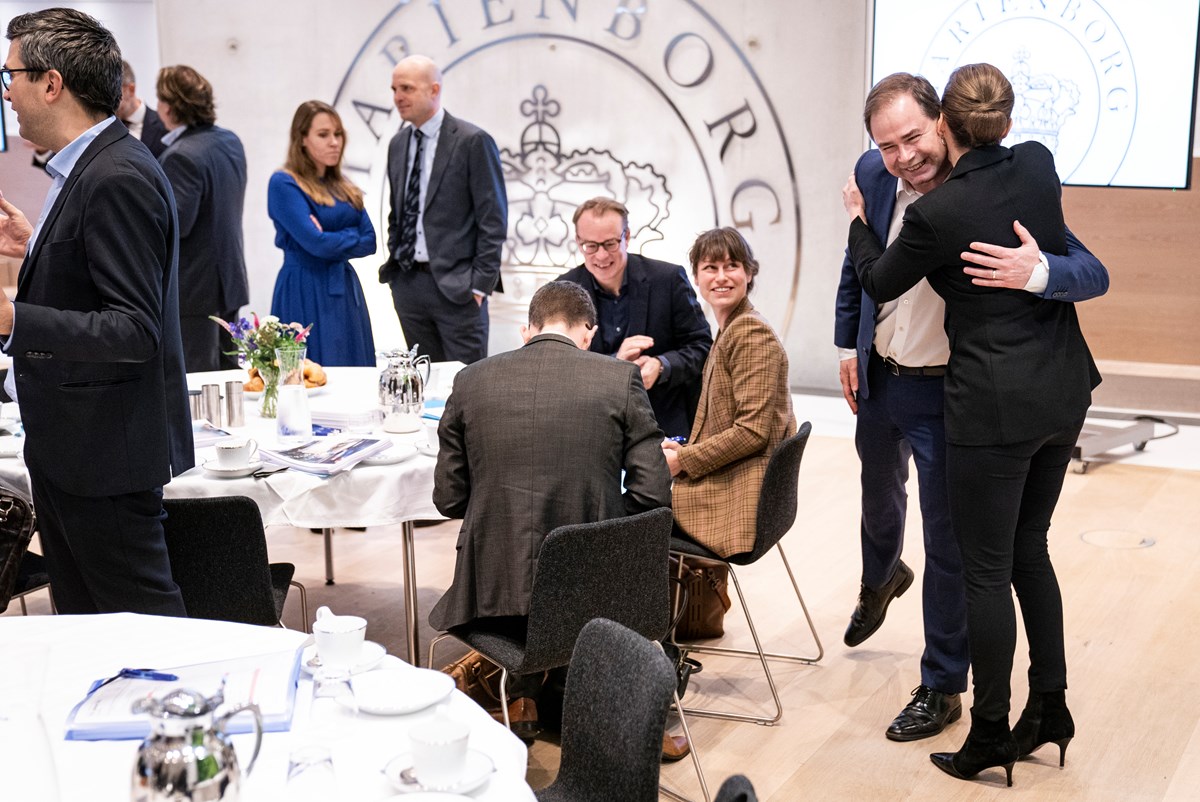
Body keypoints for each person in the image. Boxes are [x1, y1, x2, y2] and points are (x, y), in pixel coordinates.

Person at [834, 72, 1110, 743]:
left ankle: (943, 684)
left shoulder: (986, 191)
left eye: (913, 137)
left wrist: (1036, 271)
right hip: (880, 375)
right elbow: (858, 266)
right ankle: (880, 577)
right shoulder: (871, 173)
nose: (904, 156)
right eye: (888, 144)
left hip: (949, 392)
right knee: (876, 495)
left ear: (944, 124)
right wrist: (847, 342)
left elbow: (1090, 270)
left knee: (954, 547)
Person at [0, 8, 192, 615]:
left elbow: (134, 329)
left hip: (103, 454)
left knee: (145, 633)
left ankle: (187, 714)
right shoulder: (90, 164)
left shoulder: (114, 175)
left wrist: (11, 318)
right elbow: (99, 277)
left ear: (51, 82)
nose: (6, 91)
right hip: (74, 446)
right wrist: (37, 247)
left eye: (11, 75)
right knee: (92, 630)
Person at [429, 281, 672, 742]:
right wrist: (599, 523)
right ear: (588, 333)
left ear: (528, 330)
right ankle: (568, 697)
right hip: (588, 595)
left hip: (492, 592)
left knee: (528, 603)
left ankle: (522, 697)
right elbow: (653, 492)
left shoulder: (471, 379)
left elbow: (449, 498)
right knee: (588, 594)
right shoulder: (618, 378)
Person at [663, 228, 796, 558]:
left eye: (731, 266)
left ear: (749, 273)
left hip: (738, 499)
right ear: (696, 277)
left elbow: (751, 433)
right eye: (710, 267)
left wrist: (681, 461)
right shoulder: (732, 327)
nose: (721, 277)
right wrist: (682, 449)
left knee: (626, 513)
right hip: (735, 482)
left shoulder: (751, 333)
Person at [379, 54, 506, 365]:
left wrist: (479, 286)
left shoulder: (472, 141)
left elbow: (494, 220)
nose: (398, 97)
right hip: (409, 285)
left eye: (406, 88)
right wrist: (398, 273)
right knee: (422, 383)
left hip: (459, 289)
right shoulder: (398, 144)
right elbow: (398, 214)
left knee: (466, 387)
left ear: (433, 90)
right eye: (394, 89)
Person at [556, 197, 712, 439]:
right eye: (590, 246)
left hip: (662, 427)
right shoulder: (562, 291)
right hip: (590, 429)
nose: (601, 256)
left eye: (610, 243)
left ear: (627, 236)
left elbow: (702, 348)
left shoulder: (668, 279)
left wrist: (661, 366)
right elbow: (558, 367)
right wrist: (615, 364)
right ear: (578, 242)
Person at [268, 100, 377, 366]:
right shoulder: (284, 182)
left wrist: (330, 237)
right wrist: (349, 235)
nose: (334, 142)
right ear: (302, 139)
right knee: (307, 374)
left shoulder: (345, 186)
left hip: (345, 290)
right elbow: (316, 244)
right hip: (303, 288)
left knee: (353, 368)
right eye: (323, 134)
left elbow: (371, 241)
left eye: (338, 134)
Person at [157, 64, 249, 372]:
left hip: (195, 292)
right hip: (229, 282)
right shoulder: (230, 142)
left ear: (168, 107)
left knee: (200, 384)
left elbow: (176, 225)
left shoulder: (180, 155)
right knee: (229, 377)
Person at [31, 59, 165, 168]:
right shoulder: (98, 124)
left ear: (130, 89)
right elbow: (71, 174)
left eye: (113, 92)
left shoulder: (166, 127)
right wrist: (43, 151)